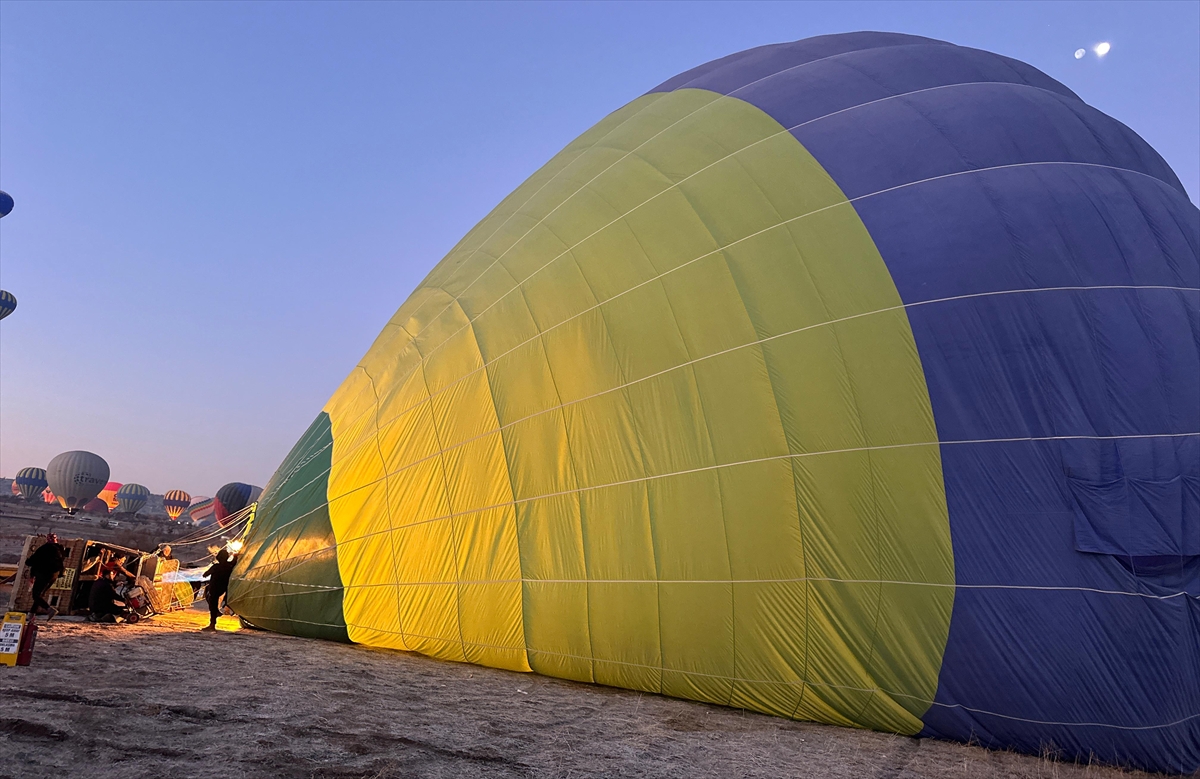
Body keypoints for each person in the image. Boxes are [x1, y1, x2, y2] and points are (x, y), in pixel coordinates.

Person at [25, 534, 67, 620]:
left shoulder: (44, 549)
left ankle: (49, 609)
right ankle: (32, 614)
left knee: (36, 595)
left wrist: (31, 572)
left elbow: (31, 562)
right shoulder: (61, 549)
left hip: (43, 574)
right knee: (40, 595)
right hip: (54, 575)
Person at [200, 549, 235, 632]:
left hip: (214, 588)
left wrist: (209, 570)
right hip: (223, 588)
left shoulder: (216, 567)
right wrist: (235, 555)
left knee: (212, 605)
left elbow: (205, 575)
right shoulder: (230, 566)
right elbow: (234, 561)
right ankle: (216, 612)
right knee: (212, 604)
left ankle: (212, 624)